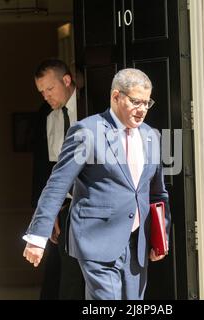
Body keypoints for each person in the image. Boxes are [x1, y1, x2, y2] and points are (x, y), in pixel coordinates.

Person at [23, 68, 171, 300]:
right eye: (135, 102)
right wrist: (37, 236)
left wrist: (161, 236)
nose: (142, 109)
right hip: (97, 239)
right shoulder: (87, 131)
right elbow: (57, 184)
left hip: (137, 244)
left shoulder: (151, 136)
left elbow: (157, 193)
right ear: (116, 97)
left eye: (146, 102)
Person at [31, 58, 85, 300]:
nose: (46, 96)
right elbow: (57, 171)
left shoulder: (90, 109)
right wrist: (55, 210)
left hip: (97, 205)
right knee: (70, 281)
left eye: (49, 89)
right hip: (68, 209)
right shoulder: (51, 119)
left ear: (66, 80)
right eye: (41, 92)